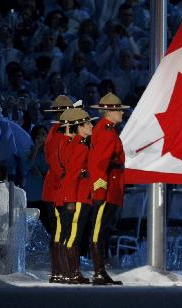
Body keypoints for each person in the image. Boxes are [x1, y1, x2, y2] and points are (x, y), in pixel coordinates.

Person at [88, 92, 128, 285]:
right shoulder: (105, 131)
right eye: (119, 110)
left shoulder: (107, 129)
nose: (122, 113)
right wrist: (100, 190)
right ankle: (98, 271)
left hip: (111, 186)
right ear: (109, 112)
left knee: (103, 230)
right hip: (107, 188)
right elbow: (98, 164)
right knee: (99, 230)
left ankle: (101, 271)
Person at [56, 107, 97, 284]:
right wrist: (71, 200)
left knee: (71, 235)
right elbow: (73, 174)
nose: (91, 126)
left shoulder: (77, 144)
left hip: (78, 194)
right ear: (79, 127)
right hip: (78, 196)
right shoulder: (80, 147)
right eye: (87, 123)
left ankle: (69, 272)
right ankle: (72, 273)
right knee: (74, 236)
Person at [42, 95, 74, 283]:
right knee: (61, 231)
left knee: (64, 230)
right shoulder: (57, 133)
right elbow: (57, 163)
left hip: (60, 189)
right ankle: (59, 270)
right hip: (58, 191)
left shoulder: (61, 131)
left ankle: (63, 269)